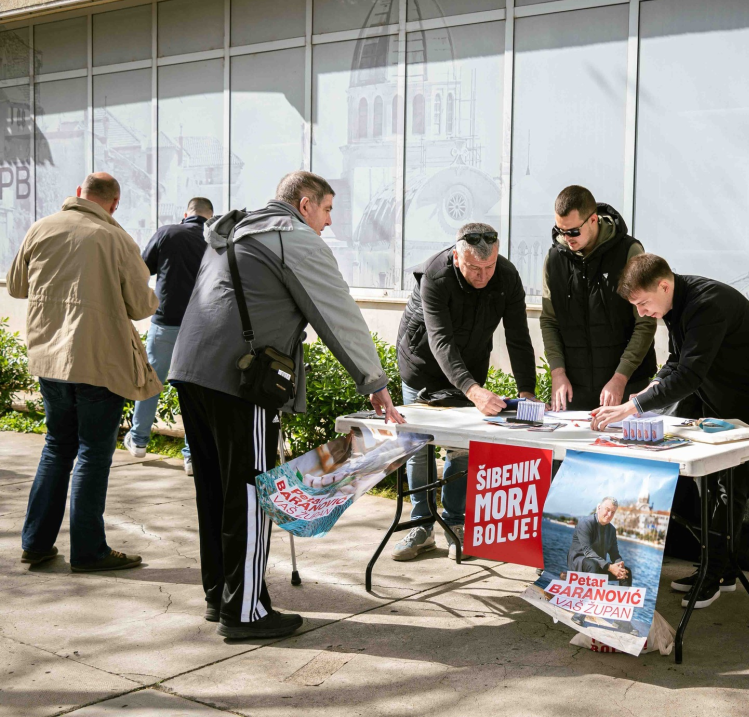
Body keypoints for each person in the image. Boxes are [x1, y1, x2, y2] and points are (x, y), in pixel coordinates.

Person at [168, 171, 403, 640]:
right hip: (241, 379)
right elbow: (337, 311)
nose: (329, 223)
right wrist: (374, 382)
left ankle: (222, 596)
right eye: (328, 210)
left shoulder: (233, 229)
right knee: (252, 492)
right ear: (305, 203)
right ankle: (247, 612)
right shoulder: (291, 237)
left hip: (191, 369)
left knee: (214, 489)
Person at [591, 253, 749, 610]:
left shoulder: (705, 303)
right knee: (709, 477)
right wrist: (647, 391)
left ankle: (715, 573)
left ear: (663, 286)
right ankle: (719, 566)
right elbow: (676, 362)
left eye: (643, 303)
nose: (641, 312)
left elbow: (689, 375)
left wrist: (631, 406)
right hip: (718, 385)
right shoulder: (674, 303)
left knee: (734, 476)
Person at [7, 173, 161, 573]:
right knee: (94, 452)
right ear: (113, 203)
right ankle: (89, 552)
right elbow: (143, 306)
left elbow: (18, 287)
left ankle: (36, 544)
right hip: (98, 360)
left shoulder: (40, 228)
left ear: (79, 195)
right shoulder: (115, 238)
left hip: (49, 359)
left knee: (57, 446)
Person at [393, 223, 538, 561]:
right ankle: (422, 525)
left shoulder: (506, 276)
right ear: (456, 256)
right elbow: (440, 341)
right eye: (474, 267)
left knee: (461, 447)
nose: (482, 275)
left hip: (469, 364)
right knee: (420, 445)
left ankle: (456, 523)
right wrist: (474, 391)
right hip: (422, 364)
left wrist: (527, 390)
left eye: (488, 267)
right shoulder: (435, 276)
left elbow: (518, 336)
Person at [541, 186, 656, 411]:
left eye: (573, 231)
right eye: (560, 230)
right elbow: (549, 320)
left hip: (627, 386)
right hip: (574, 389)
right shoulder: (554, 259)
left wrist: (620, 377)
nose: (566, 238)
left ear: (593, 220)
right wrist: (557, 372)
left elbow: (645, 322)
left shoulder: (629, 252)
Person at [124, 197, 212, 475]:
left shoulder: (167, 232)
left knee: (151, 380)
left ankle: (138, 441)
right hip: (200, 326)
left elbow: (142, 269)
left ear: (186, 214)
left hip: (166, 321)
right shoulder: (217, 240)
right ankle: (191, 457)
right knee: (194, 390)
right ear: (209, 217)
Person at [567, 497, 632, 586]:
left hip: (600, 565)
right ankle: (589, 596)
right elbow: (588, 552)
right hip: (580, 562)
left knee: (626, 573)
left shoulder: (612, 530)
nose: (609, 515)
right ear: (599, 508)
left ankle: (623, 598)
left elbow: (615, 554)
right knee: (592, 564)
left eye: (613, 512)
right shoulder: (585, 523)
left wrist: (620, 565)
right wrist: (609, 567)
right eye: (607, 510)